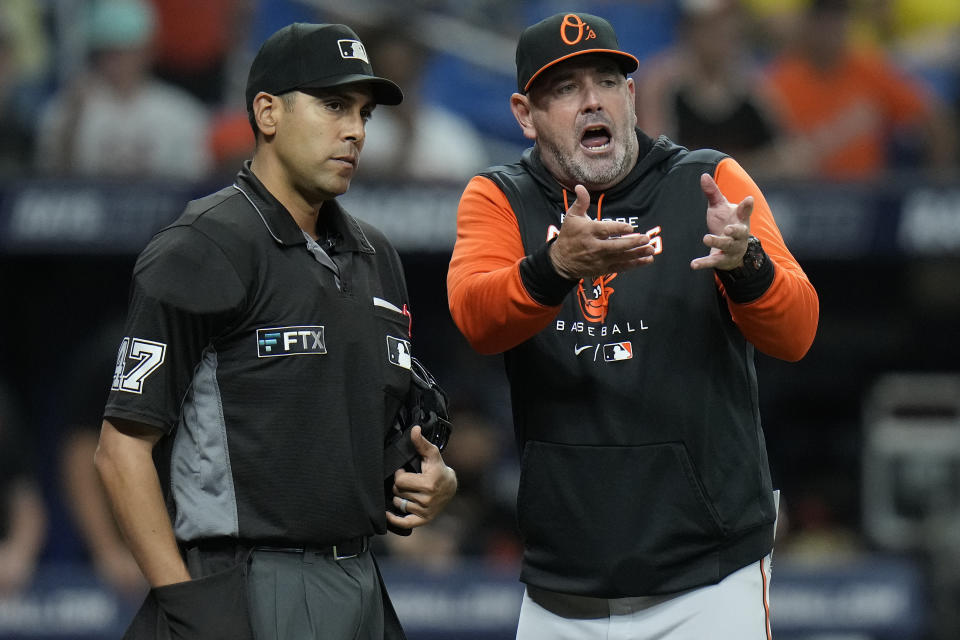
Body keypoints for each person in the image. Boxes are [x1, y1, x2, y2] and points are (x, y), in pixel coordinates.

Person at [446, 11, 819, 639]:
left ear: (631, 95)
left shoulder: (706, 181)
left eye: (607, 82)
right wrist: (555, 266)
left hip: (709, 577)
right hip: (563, 587)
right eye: (564, 89)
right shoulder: (498, 196)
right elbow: (477, 320)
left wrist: (747, 265)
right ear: (523, 113)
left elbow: (798, 331)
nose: (592, 101)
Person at [95, 21, 457, 640]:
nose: (355, 130)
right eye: (333, 105)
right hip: (249, 577)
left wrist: (431, 479)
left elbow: (373, 436)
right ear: (267, 111)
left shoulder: (377, 255)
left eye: (364, 114)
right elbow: (120, 450)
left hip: (362, 578)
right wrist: (186, 604)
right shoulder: (204, 245)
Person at [763, 0, 955, 179]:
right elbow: (760, 153)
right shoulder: (781, 80)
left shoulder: (869, 70)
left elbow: (931, 116)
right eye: (823, 21)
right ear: (808, 25)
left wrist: (936, 182)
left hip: (867, 197)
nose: (831, 29)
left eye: (837, 20)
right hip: (803, 196)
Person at [34, 0, 211, 180]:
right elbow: (51, 183)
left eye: (125, 51)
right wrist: (71, 124)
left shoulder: (181, 113)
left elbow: (194, 188)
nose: (115, 61)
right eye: (107, 51)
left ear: (148, 52)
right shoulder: (67, 107)